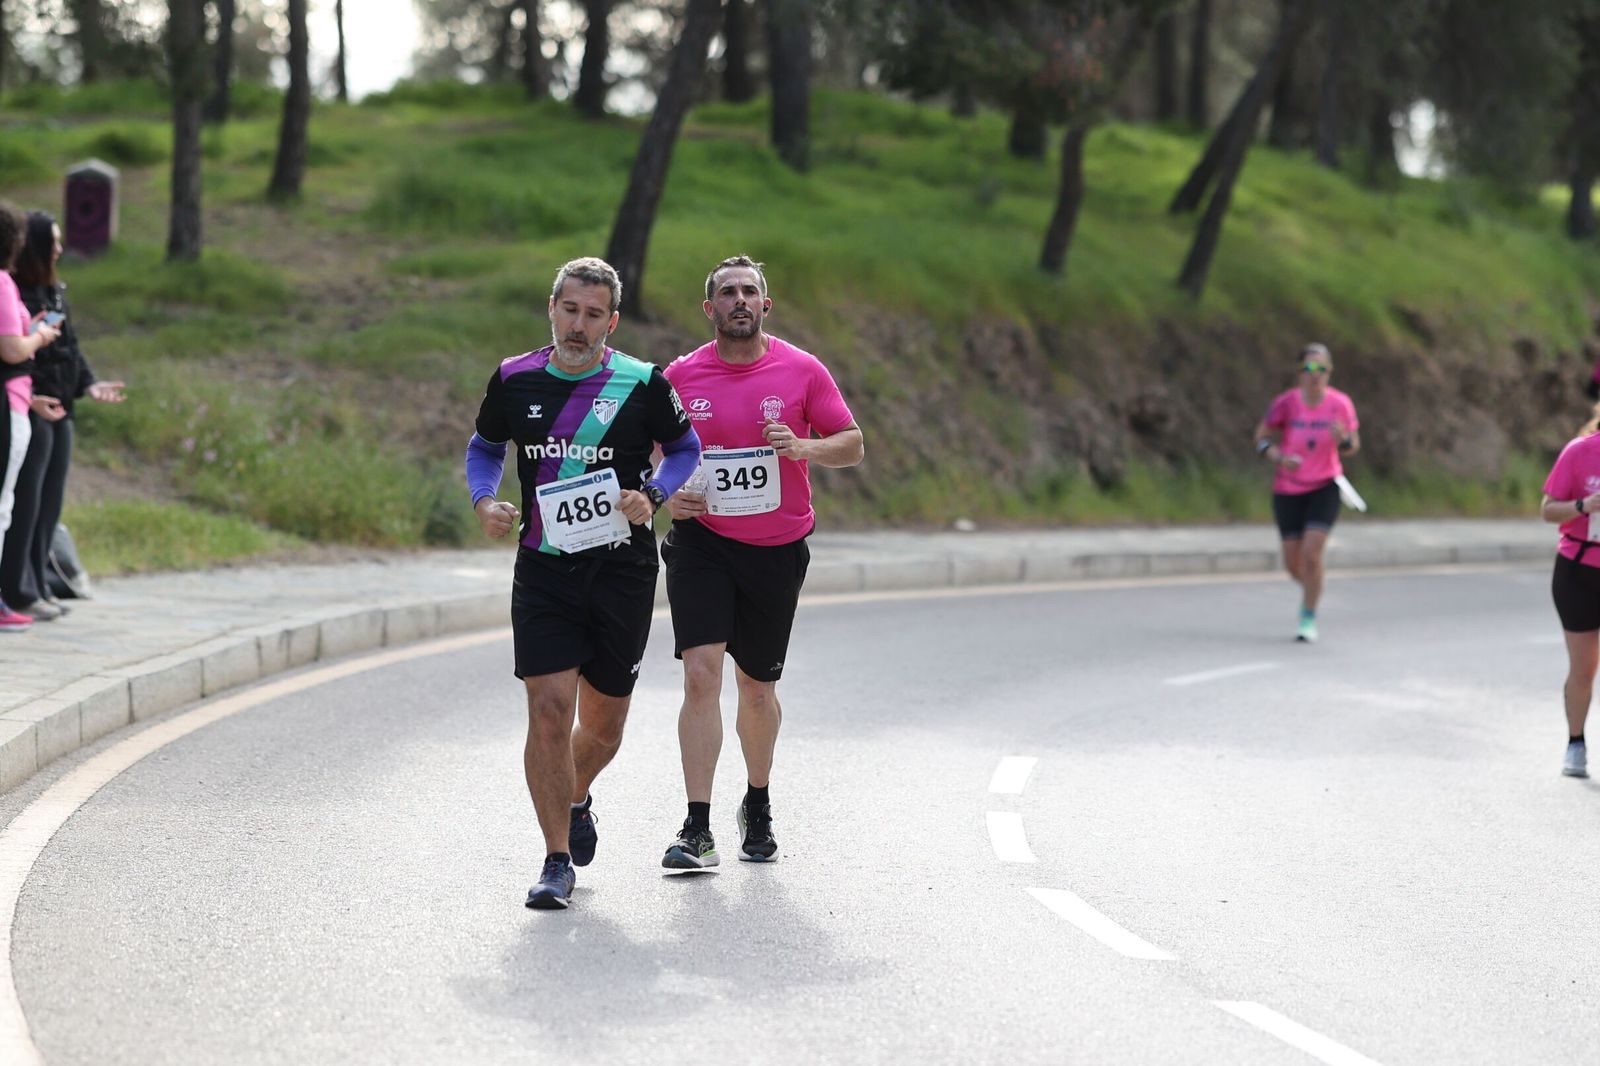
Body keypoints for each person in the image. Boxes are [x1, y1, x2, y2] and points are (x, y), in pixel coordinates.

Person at [465, 256, 700, 910]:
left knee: (602, 728)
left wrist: (651, 494)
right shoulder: (514, 379)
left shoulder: (642, 383)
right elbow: (486, 446)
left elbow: (686, 450)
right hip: (543, 568)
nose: (579, 324)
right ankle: (555, 860)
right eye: (570, 309)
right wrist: (485, 500)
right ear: (552, 307)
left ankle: (576, 796)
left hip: (621, 571)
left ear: (612, 320)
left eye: (594, 314)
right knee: (547, 713)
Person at [657, 254, 863, 869]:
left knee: (756, 686)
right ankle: (697, 826)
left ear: (765, 306)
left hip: (775, 551)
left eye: (750, 291)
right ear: (710, 308)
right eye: (727, 292)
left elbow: (852, 444)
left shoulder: (801, 370)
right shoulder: (681, 376)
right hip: (703, 542)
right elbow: (649, 456)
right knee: (700, 674)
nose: (739, 300)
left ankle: (758, 800)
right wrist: (668, 492)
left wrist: (803, 446)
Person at [3, 211, 125, 620]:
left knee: (48, 505)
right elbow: (17, 354)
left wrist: (89, 384)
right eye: (52, 241)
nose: (59, 248)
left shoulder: (54, 293)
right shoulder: (15, 293)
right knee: (25, 504)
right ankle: (17, 590)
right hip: (31, 407)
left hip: (62, 408)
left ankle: (36, 584)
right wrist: (33, 393)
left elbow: (71, 347)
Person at [1251, 342, 1360, 644]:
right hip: (1288, 488)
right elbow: (1261, 437)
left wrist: (1344, 440)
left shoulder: (1340, 405)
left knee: (1312, 554)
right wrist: (1276, 456)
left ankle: (1308, 614)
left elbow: (1353, 447)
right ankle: (1314, 587)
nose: (1316, 375)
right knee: (1292, 563)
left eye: (1322, 369)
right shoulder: (1286, 403)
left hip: (1325, 485)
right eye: (1310, 368)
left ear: (1330, 372)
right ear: (1300, 372)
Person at [0, 202, 60, 634]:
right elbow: (11, 349)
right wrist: (37, 335)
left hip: (19, 399)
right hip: (7, 401)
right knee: (3, 506)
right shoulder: (2, 283)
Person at [1538, 403, 1600, 779]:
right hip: (1578, 571)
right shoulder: (1579, 452)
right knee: (1584, 668)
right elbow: (1547, 510)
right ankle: (1575, 743)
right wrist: (1583, 505)